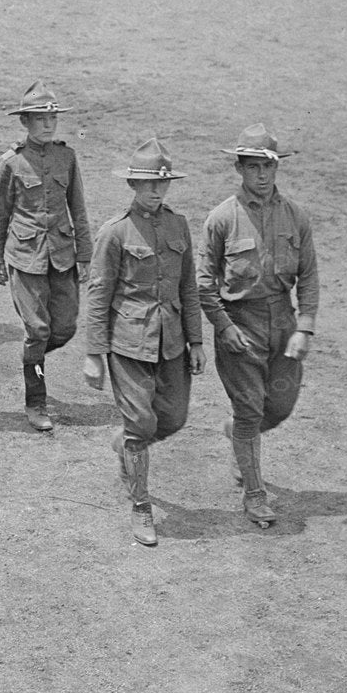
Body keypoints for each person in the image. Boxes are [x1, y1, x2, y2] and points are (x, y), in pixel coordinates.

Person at [81, 139, 203, 547]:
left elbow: (188, 287)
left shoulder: (178, 225)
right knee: (141, 424)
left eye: (163, 184)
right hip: (128, 343)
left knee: (174, 418)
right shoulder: (114, 233)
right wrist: (94, 355)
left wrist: (197, 342)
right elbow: (99, 295)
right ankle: (141, 506)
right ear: (133, 183)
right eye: (149, 183)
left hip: (172, 342)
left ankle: (127, 446)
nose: (156, 191)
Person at [199, 124, 319, 529]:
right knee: (250, 411)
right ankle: (254, 494)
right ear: (240, 169)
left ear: (276, 167)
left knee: (279, 408)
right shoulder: (222, 219)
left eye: (267, 166)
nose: (262, 175)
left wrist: (304, 326)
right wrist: (223, 326)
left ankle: (236, 434)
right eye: (253, 167)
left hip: (283, 324)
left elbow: (310, 275)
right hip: (240, 327)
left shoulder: (295, 216)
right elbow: (203, 283)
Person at [0, 82, 92, 432]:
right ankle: (36, 402)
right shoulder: (12, 162)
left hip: (62, 256)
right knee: (38, 329)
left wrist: (86, 256)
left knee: (65, 327)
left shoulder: (68, 157)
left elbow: (78, 209)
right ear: (25, 122)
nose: (48, 125)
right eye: (40, 118)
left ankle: (31, 360)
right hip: (25, 257)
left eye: (53, 118)